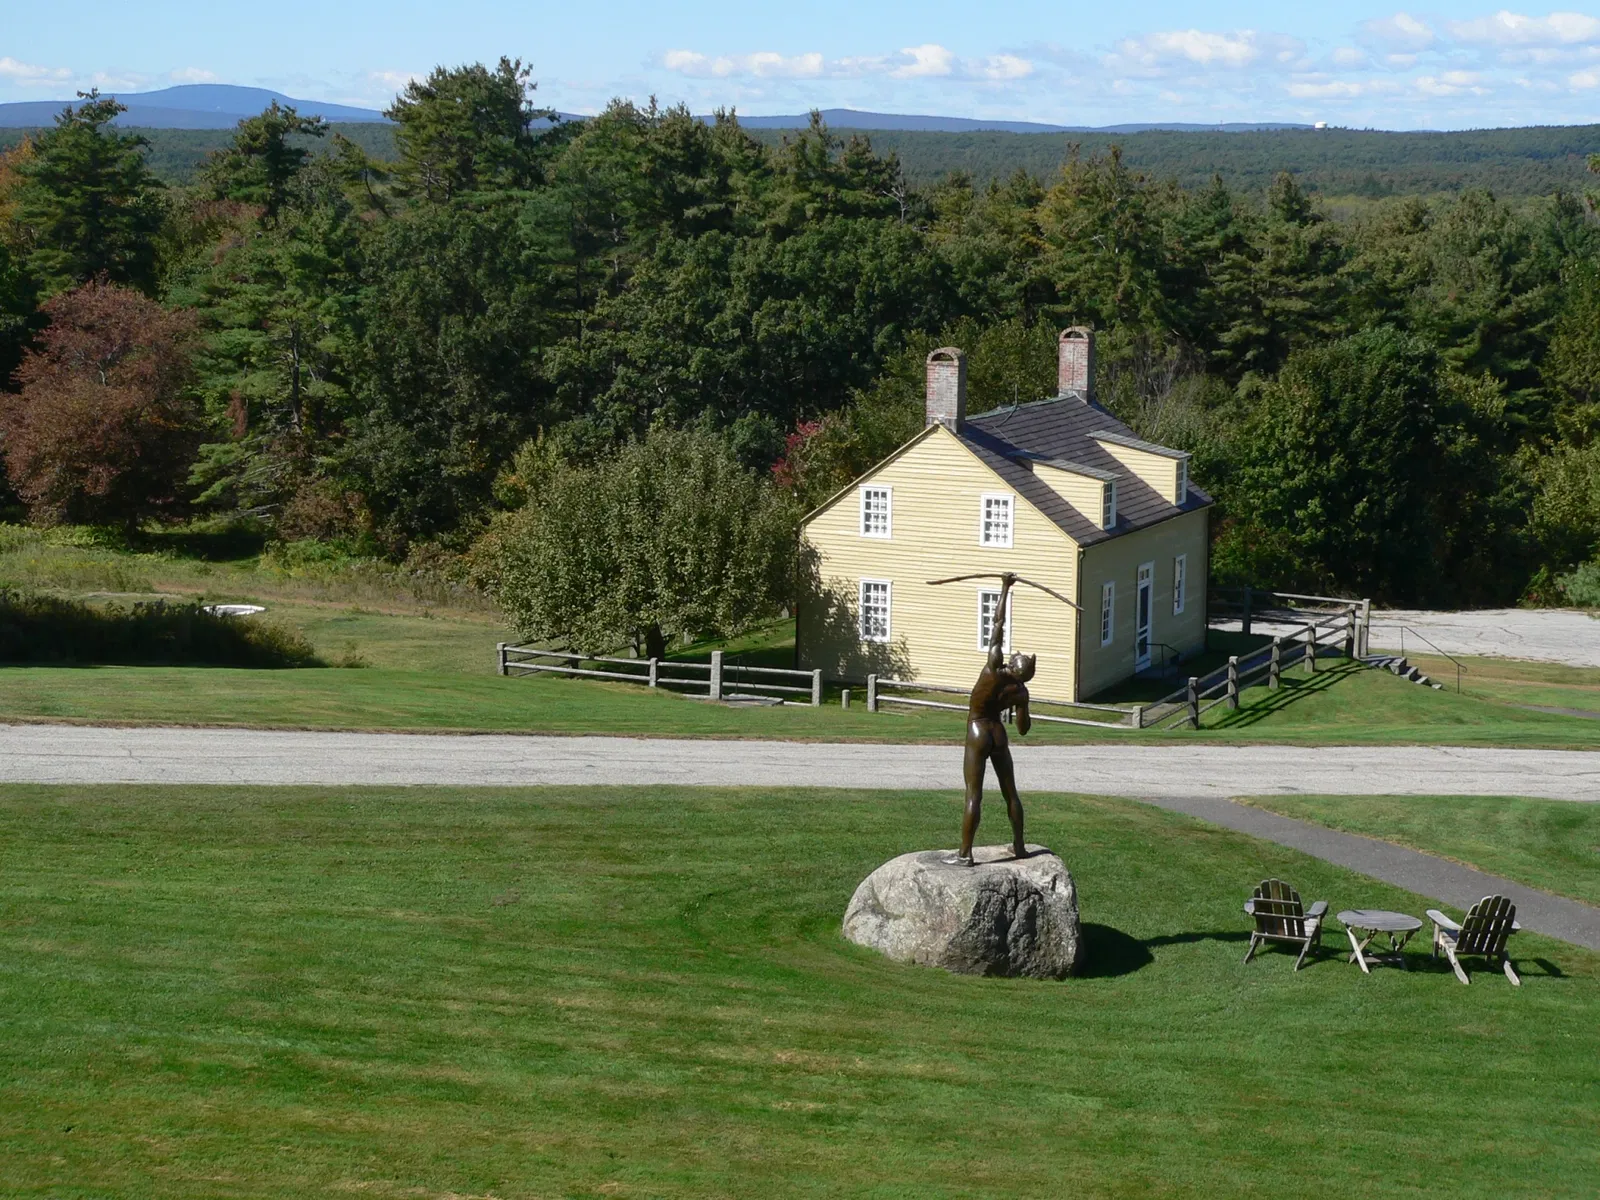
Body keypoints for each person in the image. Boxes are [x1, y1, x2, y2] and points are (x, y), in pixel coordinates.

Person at [951, 572, 1036, 865]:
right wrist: (1023, 704)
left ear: (1012, 662)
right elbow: (1023, 729)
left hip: (978, 729)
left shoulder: (994, 668)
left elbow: (997, 623)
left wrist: (1004, 587)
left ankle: (965, 854)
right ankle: (1019, 845)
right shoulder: (1020, 691)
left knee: (973, 795)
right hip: (998, 732)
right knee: (1010, 792)